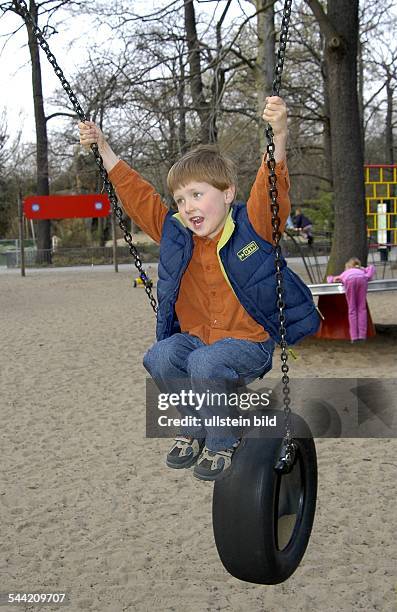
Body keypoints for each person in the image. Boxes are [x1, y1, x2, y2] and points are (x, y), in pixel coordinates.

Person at [78, 96, 318, 481]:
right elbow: (139, 198)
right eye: (180, 198)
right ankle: (196, 427)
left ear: (226, 194)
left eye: (197, 194)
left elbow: (270, 187)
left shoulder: (253, 228)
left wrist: (280, 134)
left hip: (247, 344)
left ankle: (224, 440)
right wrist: (103, 148)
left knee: (204, 363)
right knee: (160, 355)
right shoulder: (177, 236)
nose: (188, 206)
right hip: (199, 342)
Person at [327, 258, 375, 343]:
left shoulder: (345, 273)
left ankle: (354, 336)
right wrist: (363, 269)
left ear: (348, 266)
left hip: (350, 281)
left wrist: (330, 278)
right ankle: (362, 335)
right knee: (361, 309)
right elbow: (371, 269)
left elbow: (332, 279)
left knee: (352, 310)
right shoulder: (362, 271)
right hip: (362, 280)